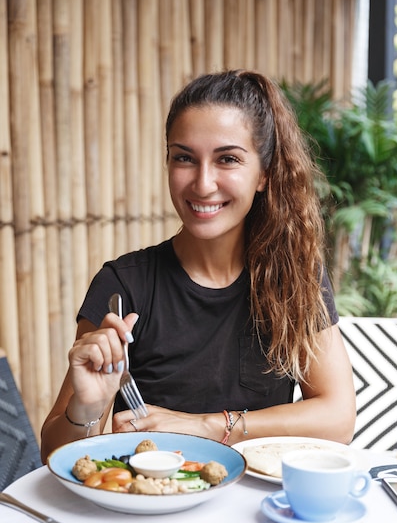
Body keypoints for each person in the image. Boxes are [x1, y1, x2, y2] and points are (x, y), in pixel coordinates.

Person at [40, 70, 356, 462]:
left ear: (264, 174)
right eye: (184, 158)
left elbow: (338, 417)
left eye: (227, 159)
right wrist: (85, 410)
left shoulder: (294, 276)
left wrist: (209, 426)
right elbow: (55, 454)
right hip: (150, 510)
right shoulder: (123, 286)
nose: (203, 184)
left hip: (257, 512)